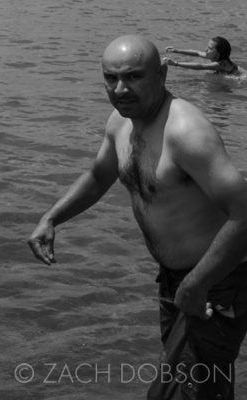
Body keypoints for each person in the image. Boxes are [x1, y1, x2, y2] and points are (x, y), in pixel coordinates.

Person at [27, 36, 247, 398]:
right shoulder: (121, 122)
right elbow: (100, 175)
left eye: (133, 77)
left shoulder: (187, 133)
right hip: (176, 280)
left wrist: (198, 284)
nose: (120, 88)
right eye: (110, 78)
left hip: (216, 280)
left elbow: (244, 214)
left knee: (183, 390)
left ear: (161, 74)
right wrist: (51, 218)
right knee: (201, 386)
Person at [165, 38, 240, 76]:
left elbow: (201, 66)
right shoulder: (214, 55)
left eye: (210, 48)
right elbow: (196, 53)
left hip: (239, 78)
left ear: (218, 53)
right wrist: (176, 50)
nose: (206, 50)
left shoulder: (221, 64)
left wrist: (176, 63)